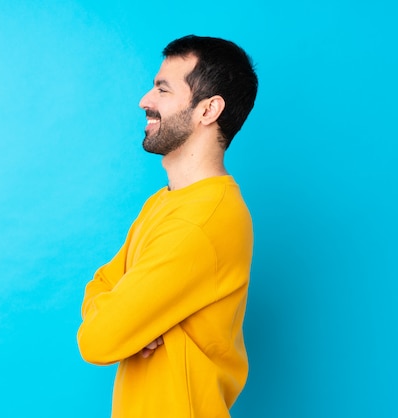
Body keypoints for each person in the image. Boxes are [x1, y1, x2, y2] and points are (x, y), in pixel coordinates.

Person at [77, 35, 258, 418]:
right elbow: (100, 284)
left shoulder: (201, 220)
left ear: (208, 110)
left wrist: (121, 321)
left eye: (162, 89)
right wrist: (123, 316)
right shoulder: (164, 202)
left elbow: (96, 339)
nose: (145, 99)